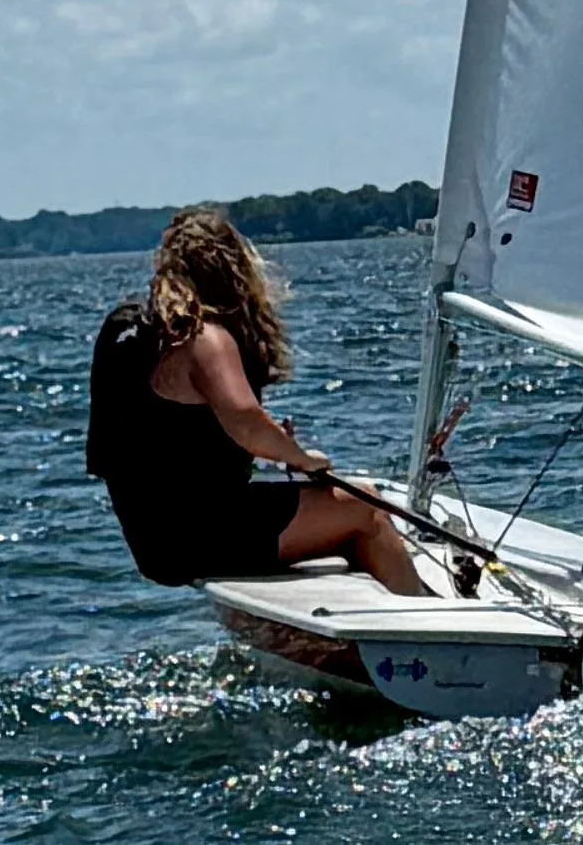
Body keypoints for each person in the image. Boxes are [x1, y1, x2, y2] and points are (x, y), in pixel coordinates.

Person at [86, 206, 428, 595]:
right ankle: (429, 631)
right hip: (199, 538)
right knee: (364, 506)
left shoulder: (131, 331)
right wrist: (300, 457)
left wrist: (267, 444)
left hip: (153, 542)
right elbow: (246, 420)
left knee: (335, 513)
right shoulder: (204, 339)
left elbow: (170, 436)